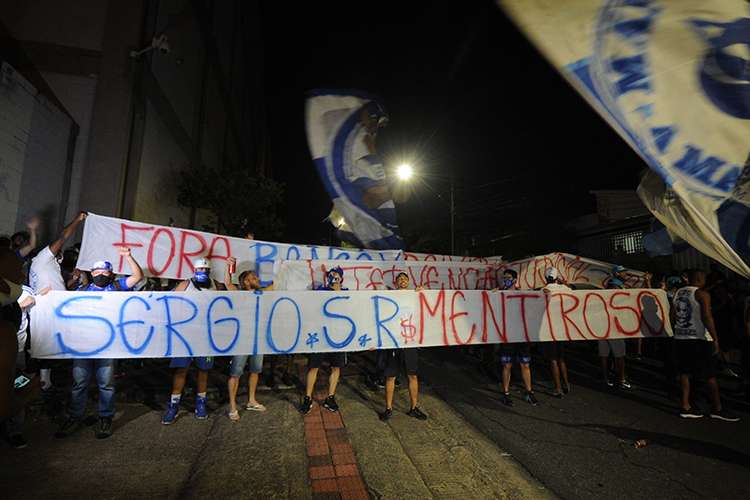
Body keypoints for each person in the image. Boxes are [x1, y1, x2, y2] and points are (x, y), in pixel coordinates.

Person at [55, 248, 144, 439]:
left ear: (111, 274)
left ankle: (105, 417)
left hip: (108, 346)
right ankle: (75, 416)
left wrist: (128, 256)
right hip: (84, 345)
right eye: (97, 272)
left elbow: (137, 276)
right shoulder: (82, 291)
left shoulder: (118, 287)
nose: (101, 275)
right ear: (92, 273)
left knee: (106, 383)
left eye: (105, 272)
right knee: (79, 383)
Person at [29, 212, 87, 392]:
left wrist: (73, 281)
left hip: (54, 308)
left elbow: (59, 286)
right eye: (58, 252)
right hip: (48, 309)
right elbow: (63, 236)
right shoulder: (42, 259)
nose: (60, 254)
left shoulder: (49, 267)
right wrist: (77, 220)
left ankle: (42, 379)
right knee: (43, 345)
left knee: (47, 344)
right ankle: (40, 382)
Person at [672, 270, 739, 421]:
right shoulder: (702, 294)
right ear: (701, 279)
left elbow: (673, 315)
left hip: (681, 337)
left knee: (685, 372)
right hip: (699, 339)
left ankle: (685, 406)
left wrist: (678, 331)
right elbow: (706, 317)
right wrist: (715, 338)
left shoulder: (678, 292)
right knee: (710, 374)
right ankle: (717, 408)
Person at [162, 258, 221, 424]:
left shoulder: (215, 284)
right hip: (185, 335)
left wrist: (230, 271)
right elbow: (170, 301)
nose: (202, 271)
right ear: (194, 270)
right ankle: (173, 406)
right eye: (199, 269)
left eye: (205, 269)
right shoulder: (185, 284)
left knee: (203, 371)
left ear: (209, 270)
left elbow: (231, 294)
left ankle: (200, 403)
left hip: (206, 336)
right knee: (181, 370)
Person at [223, 257, 269, 420]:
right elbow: (228, 284)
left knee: (255, 371)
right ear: (244, 282)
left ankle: (251, 400)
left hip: (258, 340)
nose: (254, 280)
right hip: (242, 340)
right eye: (250, 278)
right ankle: (233, 406)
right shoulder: (239, 294)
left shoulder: (263, 294)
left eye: (255, 277)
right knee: (236, 373)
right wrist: (229, 267)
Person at [299, 267, 348, 415]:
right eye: (331, 275)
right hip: (320, 335)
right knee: (314, 366)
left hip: (338, 336)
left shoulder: (347, 293)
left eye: (337, 275)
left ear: (342, 278)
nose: (335, 277)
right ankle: (308, 397)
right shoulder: (320, 292)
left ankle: (330, 397)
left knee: (336, 367)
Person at [379, 272, 427, 421]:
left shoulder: (414, 296)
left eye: (405, 278)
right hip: (393, 342)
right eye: (400, 279)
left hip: (409, 342)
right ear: (396, 283)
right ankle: (388, 408)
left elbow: (426, 308)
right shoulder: (389, 297)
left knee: (412, 375)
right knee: (390, 376)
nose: (402, 280)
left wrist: (423, 294)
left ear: (408, 282)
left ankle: (413, 408)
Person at [498, 269, 538, 406]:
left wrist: (545, 295)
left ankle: (529, 392)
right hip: (507, 336)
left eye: (508, 278)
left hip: (521, 336)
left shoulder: (523, 294)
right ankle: (506, 393)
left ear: (515, 280)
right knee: (507, 365)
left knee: (525, 364)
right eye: (504, 278)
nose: (505, 280)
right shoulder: (498, 294)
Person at [598, 265, 631, 389]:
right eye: (623, 272)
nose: (626, 275)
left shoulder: (611, 285)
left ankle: (606, 378)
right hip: (614, 327)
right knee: (619, 355)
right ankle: (621, 379)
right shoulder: (614, 286)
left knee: (604, 355)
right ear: (617, 274)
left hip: (605, 325)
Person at [541, 268, 571, 398]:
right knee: (561, 358)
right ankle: (566, 384)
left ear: (546, 278)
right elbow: (573, 292)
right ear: (557, 277)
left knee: (553, 359)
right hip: (562, 328)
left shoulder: (544, 290)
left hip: (550, 329)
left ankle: (558, 388)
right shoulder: (565, 289)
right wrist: (564, 284)